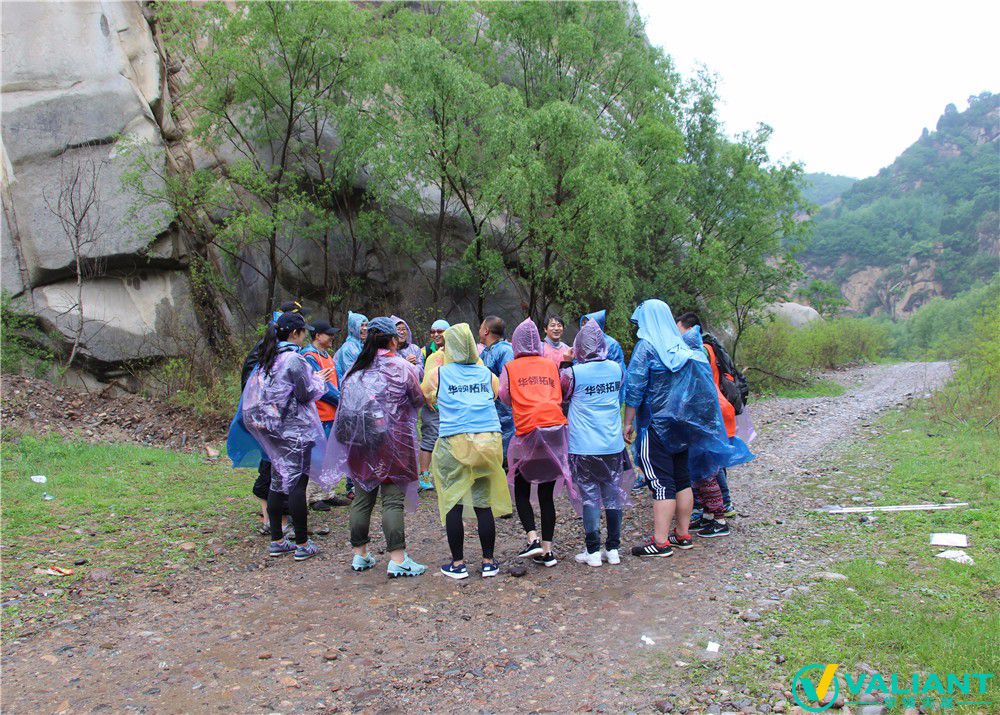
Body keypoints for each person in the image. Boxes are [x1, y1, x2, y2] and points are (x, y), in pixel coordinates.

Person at [624, 300, 753, 558]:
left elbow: (635, 387)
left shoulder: (647, 347)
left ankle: (660, 542)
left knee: (660, 482)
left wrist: (628, 421)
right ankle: (682, 534)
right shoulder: (683, 346)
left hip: (655, 425)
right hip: (682, 427)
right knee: (682, 479)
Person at [323, 317, 427, 578]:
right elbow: (418, 399)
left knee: (362, 498)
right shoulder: (403, 367)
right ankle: (398, 559)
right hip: (395, 444)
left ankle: (360, 555)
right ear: (392, 340)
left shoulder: (355, 370)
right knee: (392, 500)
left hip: (360, 444)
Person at [240, 312, 332, 561]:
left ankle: (278, 540)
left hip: (272, 431)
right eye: (303, 332)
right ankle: (302, 544)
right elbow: (305, 393)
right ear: (294, 333)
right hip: (294, 431)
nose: (304, 336)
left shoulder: (267, 357)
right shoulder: (293, 359)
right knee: (297, 486)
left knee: (278, 482)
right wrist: (318, 380)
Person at [424, 323, 512, 580]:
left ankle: (458, 563)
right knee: (483, 504)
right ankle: (488, 562)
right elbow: (496, 395)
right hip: (487, 442)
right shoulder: (487, 374)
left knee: (453, 502)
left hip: (453, 442)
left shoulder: (439, 374)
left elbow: (427, 396)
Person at [499, 318, 572, 567]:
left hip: (527, 432)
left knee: (521, 486)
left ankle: (532, 539)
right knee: (546, 493)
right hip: (554, 431)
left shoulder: (510, 367)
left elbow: (504, 396)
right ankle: (548, 551)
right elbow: (560, 392)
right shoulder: (550, 364)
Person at [560, 319, 630, 567]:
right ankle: (613, 549)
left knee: (589, 496)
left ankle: (592, 551)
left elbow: (562, 395)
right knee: (612, 494)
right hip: (612, 445)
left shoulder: (573, 373)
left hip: (583, 446)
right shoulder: (617, 369)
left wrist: (566, 362)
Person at [238, 300, 308, 535]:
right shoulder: (281, 353)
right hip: (277, 423)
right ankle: (283, 529)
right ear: (293, 330)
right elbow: (300, 391)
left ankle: (278, 530)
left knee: (279, 476)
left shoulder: (278, 351)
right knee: (277, 474)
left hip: (272, 421)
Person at [675, 312, 735, 519]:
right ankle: (715, 508)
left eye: (680, 330)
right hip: (716, 407)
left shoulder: (700, 352)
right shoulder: (707, 349)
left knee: (710, 465)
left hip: (711, 409)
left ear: (691, 330)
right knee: (712, 461)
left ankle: (721, 507)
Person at [300, 320, 345, 510]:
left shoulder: (327, 356)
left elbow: (336, 381)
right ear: (318, 336)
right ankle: (313, 496)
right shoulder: (309, 356)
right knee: (317, 456)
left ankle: (327, 492)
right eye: (328, 334)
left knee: (330, 455)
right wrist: (342, 400)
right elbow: (322, 388)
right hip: (319, 414)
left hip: (332, 413)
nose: (332, 337)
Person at [479, 316, 515, 457]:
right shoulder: (486, 351)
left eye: (481, 327)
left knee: (505, 453)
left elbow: (507, 382)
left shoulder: (505, 350)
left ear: (486, 331)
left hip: (504, 411)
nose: (479, 331)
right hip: (489, 410)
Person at [334, 311, 368, 383]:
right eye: (361, 325)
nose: (365, 328)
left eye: (366, 325)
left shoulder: (361, 345)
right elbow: (353, 375)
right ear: (352, 328)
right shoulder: (349, 348)